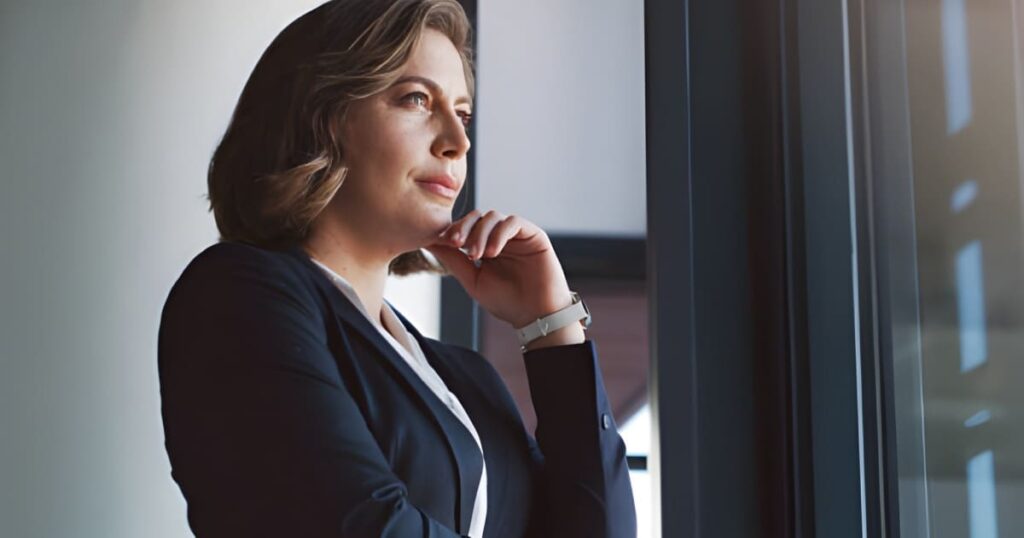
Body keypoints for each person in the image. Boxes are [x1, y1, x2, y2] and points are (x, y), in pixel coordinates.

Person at [157, 0, 636, 536]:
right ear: (324, 116)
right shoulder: (238, 297)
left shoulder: (464, 380)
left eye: (464, 113)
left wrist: (553, 327)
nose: (458, 143)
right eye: (416, 99)